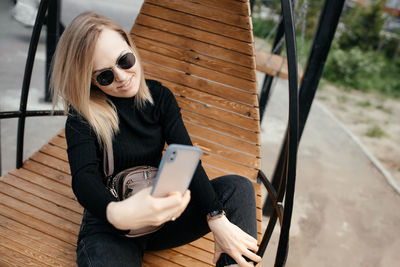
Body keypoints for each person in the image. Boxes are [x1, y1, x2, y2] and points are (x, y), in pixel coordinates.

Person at [51, 11, 261, 267]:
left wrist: (216, 219)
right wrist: (117, 214)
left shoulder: (159, 98)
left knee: (238, 188)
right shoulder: (82, 117)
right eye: (105, 75)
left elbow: (185, 157)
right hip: (113, 225)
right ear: (90, 81)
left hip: (162, 215)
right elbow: (84, 179)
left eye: (125, 60)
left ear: (131, 47)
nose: (121, 76)